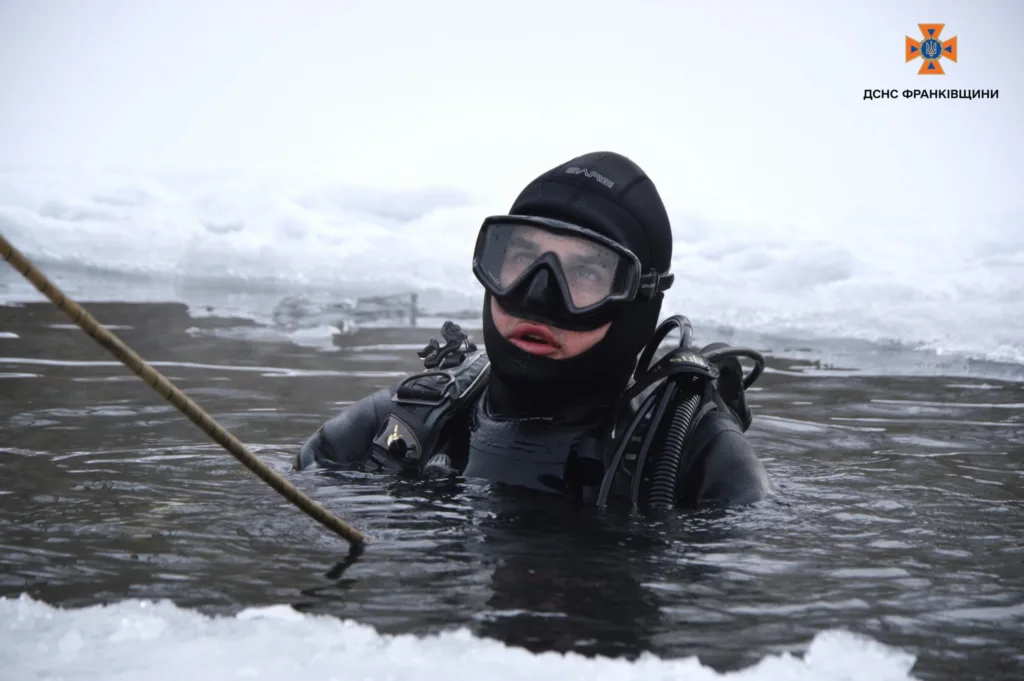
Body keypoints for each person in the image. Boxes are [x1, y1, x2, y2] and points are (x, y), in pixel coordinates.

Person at [296, 151, 771, 511]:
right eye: (522, 258)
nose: (538, 296)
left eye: (586, 273)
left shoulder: (700, 463)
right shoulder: (395, 430)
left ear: (640, 302)